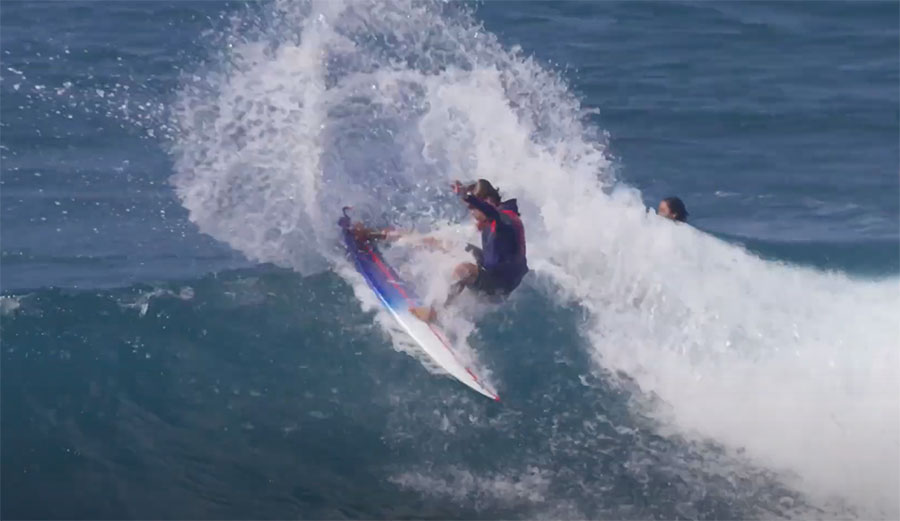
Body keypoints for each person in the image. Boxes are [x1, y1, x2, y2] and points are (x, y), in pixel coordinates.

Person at [353, 179, 528, 323]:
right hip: (493, 266)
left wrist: (468, 197)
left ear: (488, 202)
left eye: (473, 209)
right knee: (439, 242)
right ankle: (371, 235)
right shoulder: (498, 215)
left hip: (500, 285)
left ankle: (433, 313)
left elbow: (492, 214)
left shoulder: (504, 221)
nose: (472, 214)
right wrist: (464, 192)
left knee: (464, 270)